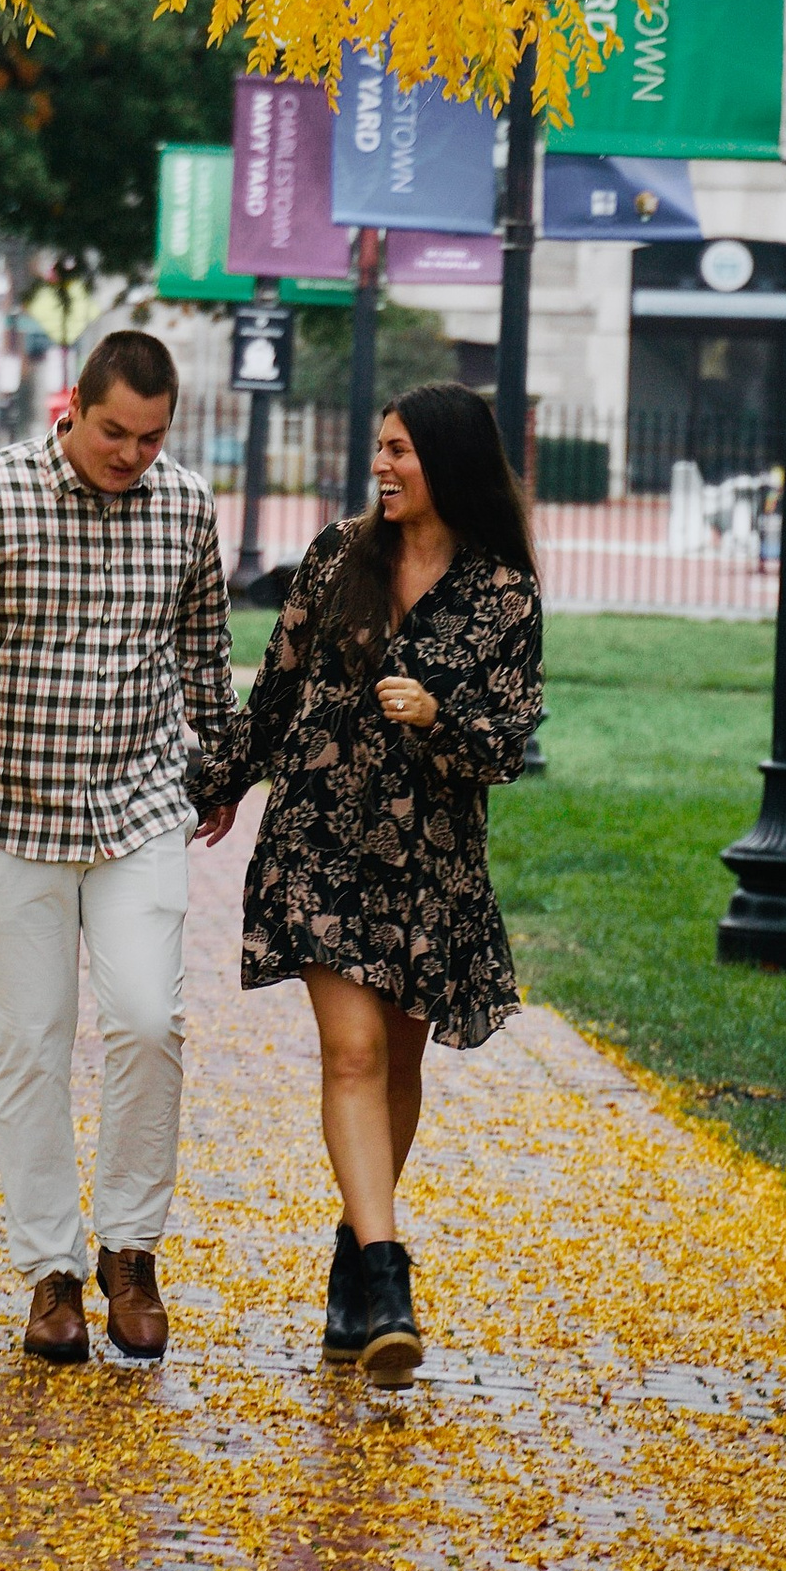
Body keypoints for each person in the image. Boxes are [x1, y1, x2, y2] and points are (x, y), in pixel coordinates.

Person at [0, 327, 241, 1368]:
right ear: (71, 407)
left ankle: (130, 1249)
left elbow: (204, 647)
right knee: (32, 1038)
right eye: (113, 431)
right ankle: (49, 1272)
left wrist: (218, 762)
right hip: (8, 814)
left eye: (150, 436)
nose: (130, 454)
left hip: (136, 806)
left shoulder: (183, 505)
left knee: (146, 1020)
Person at [192, 382, 543, 1386]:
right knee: (349, 1052)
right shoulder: (336, 554)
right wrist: (219, 785)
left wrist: (438, 715)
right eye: (379, 449)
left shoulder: (503, 589)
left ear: (448, 460)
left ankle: (353, 1268)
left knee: (395, 1060)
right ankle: (387, 1276)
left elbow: (506, 743)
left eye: (400, 451)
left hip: (430, 861)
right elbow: (279, 684)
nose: (382, 467)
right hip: (319, 841)